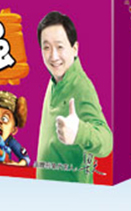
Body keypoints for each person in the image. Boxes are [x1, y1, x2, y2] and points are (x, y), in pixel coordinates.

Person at [36, 11, 113, 183]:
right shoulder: (55, 78)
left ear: (75, 48)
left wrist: (79, 132)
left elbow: (106, 142)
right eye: (46, 47)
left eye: (60, 47)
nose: (53, 56)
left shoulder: (81, 87)